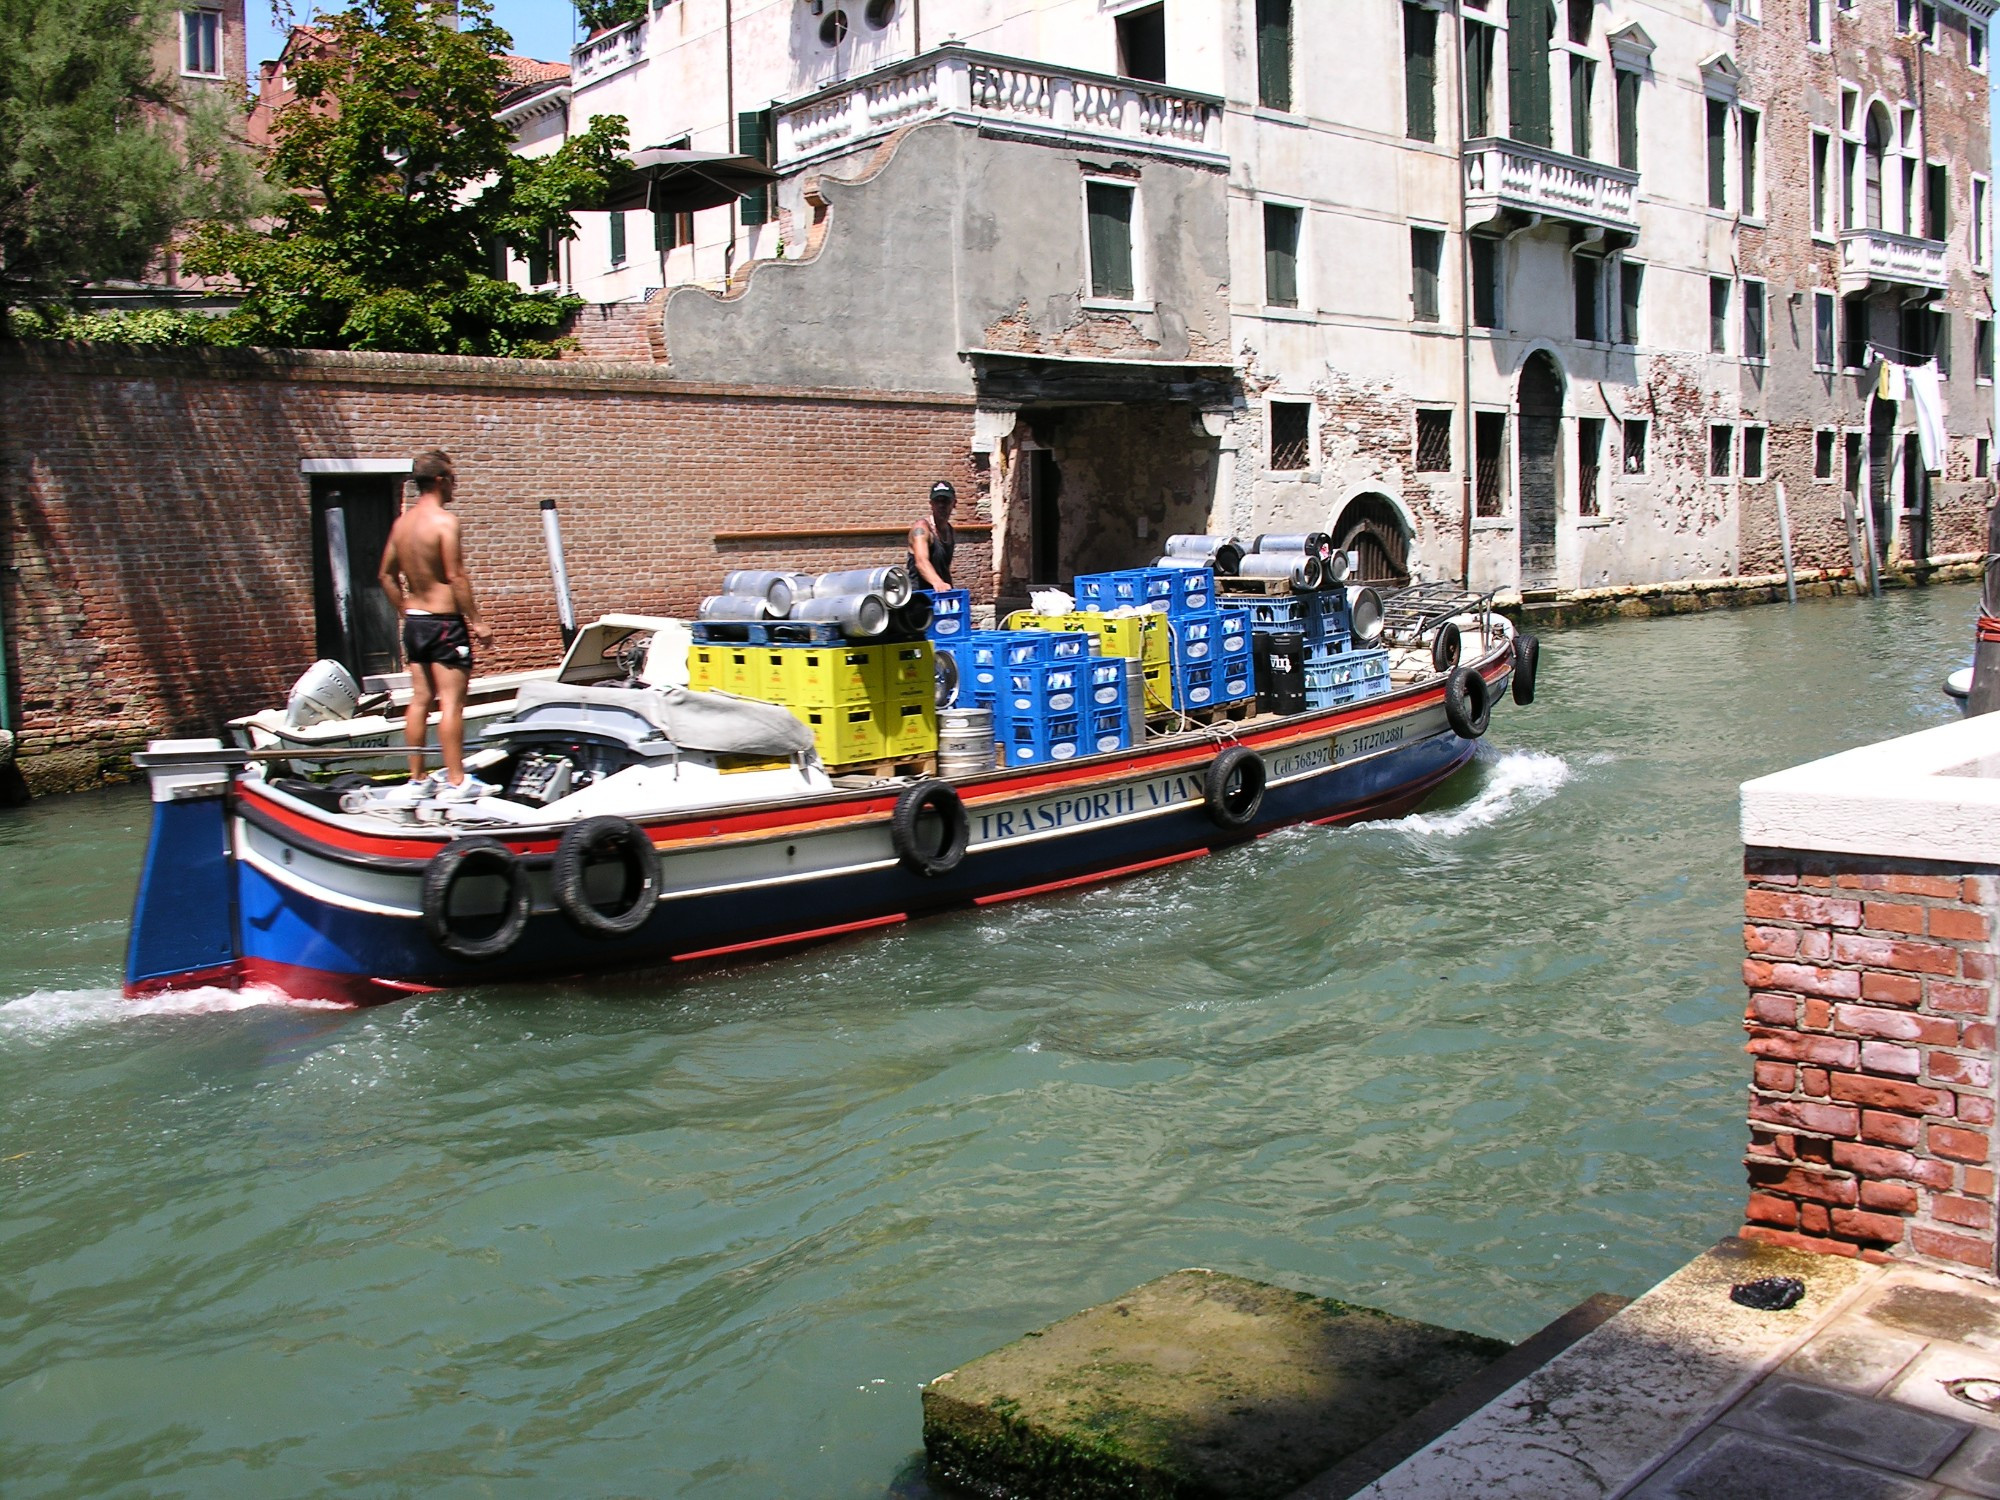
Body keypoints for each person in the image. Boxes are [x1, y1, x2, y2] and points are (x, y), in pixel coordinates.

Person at [376, 450, 495, 801]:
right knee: (452, 703)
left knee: (420, 700)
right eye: (453, 478)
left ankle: (416, 780)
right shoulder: (445, 522)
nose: (456, 485)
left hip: (415, 622)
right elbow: (456, 576)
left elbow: (385, 575)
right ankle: (458, 782)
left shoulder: (402, 524)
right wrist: (477, 622)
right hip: (444, 623)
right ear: (440, 480)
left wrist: (405, 611)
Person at [907, 479, 957, 592]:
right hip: (921, 598)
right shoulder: (921, 529)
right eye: (937, 501)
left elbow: (944, 569)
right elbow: (921, 561)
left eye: (945, 501)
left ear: (954, 503)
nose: (941, 506)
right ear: (931, 504)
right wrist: (938, 583)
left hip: (941, 594)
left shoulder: (950, 530)